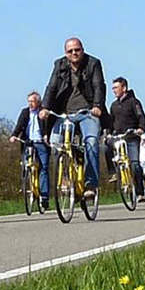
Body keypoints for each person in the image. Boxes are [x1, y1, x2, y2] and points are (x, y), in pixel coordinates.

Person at [40, 37, 108, 199]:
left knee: (91, 143)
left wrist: (97, 105)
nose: (74, 53)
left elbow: (99, 85)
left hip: (87, 113)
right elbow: (51, 87)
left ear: (82, 50)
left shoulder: (93, 63)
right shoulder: (59, 65)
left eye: (77, 50)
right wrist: (45, 108)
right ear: (66, 53)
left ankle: (90, 184)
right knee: (56, 144)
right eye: (70, 51)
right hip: (64, 114)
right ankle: (64, 179)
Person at [106, 77, 145, 201]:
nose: (113, 90)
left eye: (116, 88)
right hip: (118, 137)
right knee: (105, 146)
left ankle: (140, 192)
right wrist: (108, 133)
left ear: (124, 88)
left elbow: (142, 117)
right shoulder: (113, 105)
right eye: (113, 88)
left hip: (131, 137)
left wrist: (140, 129)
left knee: (135, 164)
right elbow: (110, 122)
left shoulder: (134, 102)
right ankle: (113, 172)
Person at [9, 91, 50, 209]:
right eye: (29, 102)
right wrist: (14, 135)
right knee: (26, 165)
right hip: (28, 142)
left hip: (41, 142)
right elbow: (19, 125)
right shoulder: (25, 112)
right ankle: (28, 186)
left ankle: (44, 196)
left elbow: (47, 127)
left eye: (32, 101)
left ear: (38, 102)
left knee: (44, 168)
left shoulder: (43, 112)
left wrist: (46, 136)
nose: (30, 104)